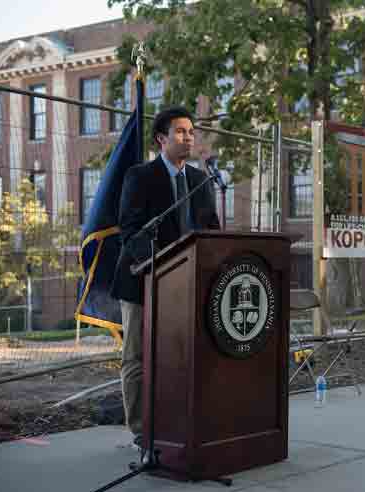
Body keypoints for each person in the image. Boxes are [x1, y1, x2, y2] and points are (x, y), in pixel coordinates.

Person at [111, 106, 221, 446]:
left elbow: (210, 230)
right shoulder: (140, 177)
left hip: (188, 285)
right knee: (137, 357)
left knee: (183, 353)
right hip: (143, 280)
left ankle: (178, 421)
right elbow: (130, 230)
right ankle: (142, 431)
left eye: (191, 132)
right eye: (180, 132)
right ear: (161, 139)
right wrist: (159, 267)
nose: (188, 137)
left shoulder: (201, 181)